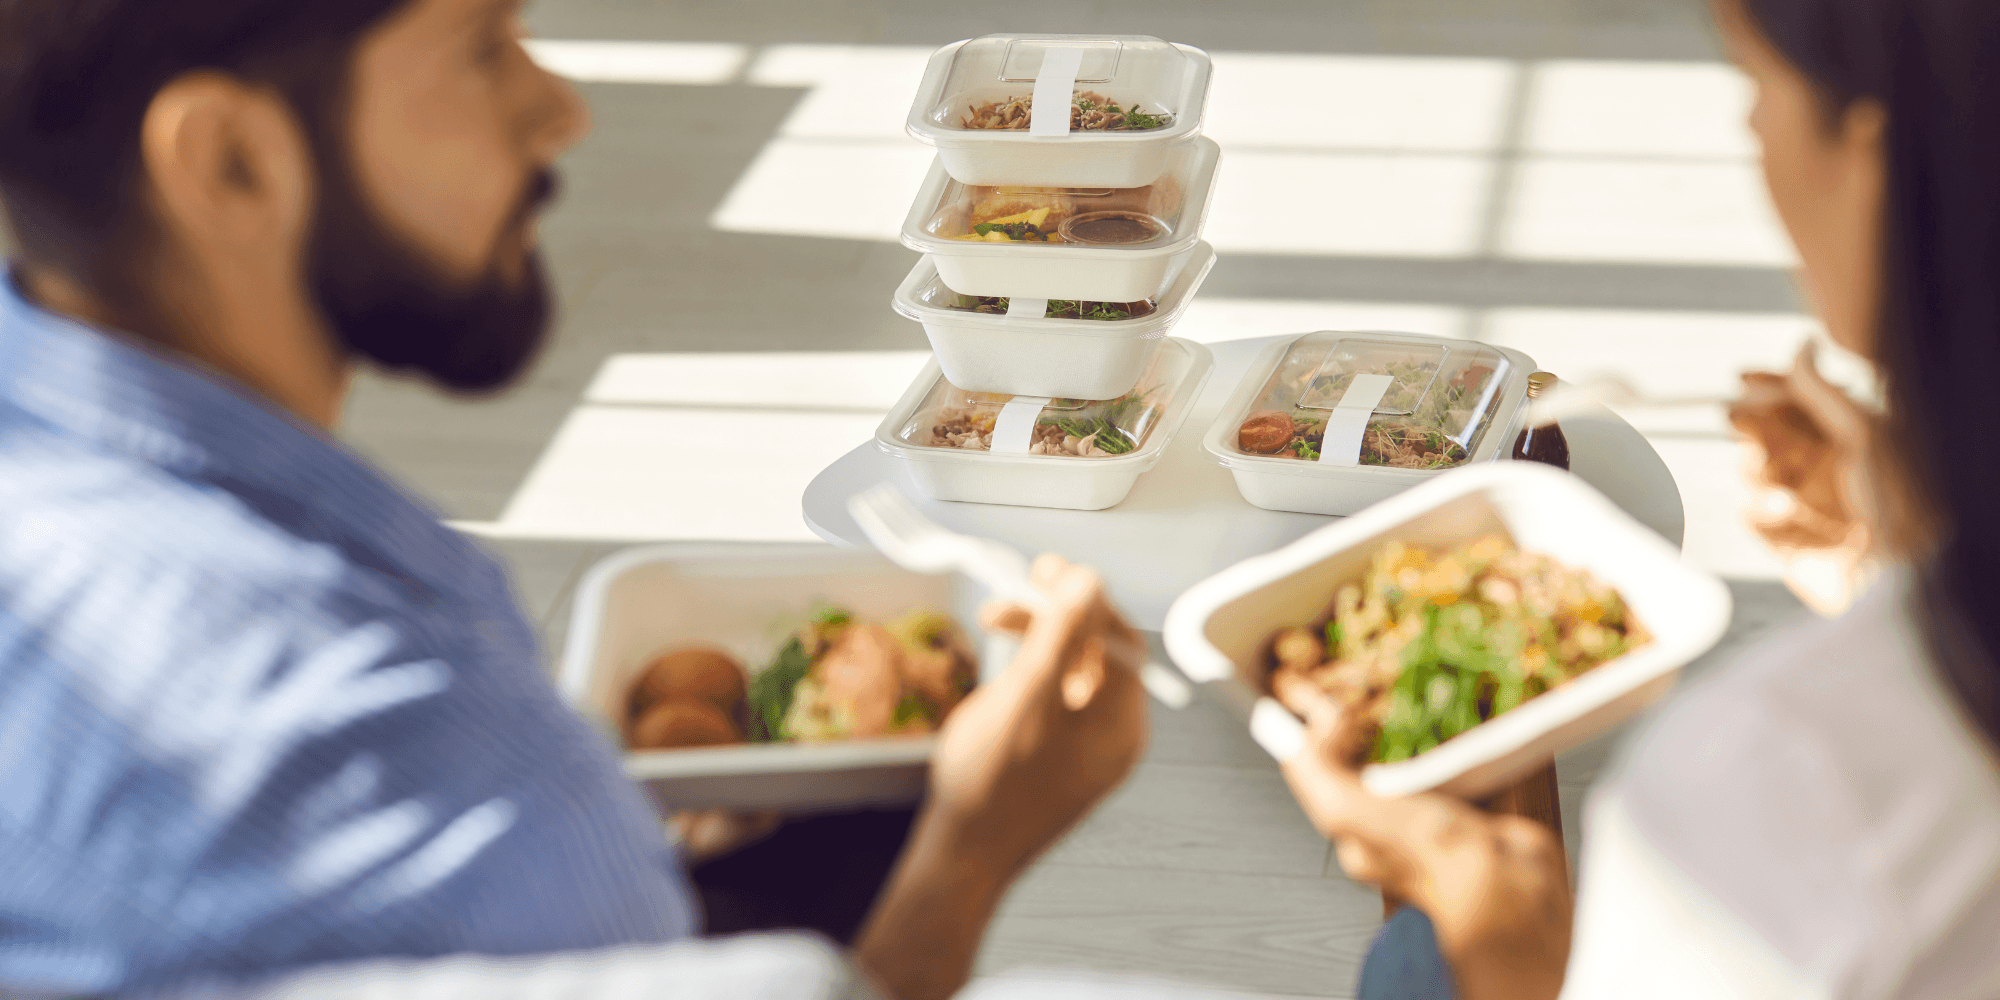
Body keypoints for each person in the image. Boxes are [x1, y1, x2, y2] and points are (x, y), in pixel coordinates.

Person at [0, 2, 1149, 998]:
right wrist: (976, 843)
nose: (559, 110)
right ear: (229, 161)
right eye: (482, 45)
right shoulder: (411, 738)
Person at [1285, 0, 2000, 996]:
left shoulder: (1775, 765)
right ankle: (1503, 752)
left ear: (1871, 161)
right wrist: (1902, 561)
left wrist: (1500, 947)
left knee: (1417, 958)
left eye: (1755, 87)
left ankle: (1492, 760)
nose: (1750, 131)